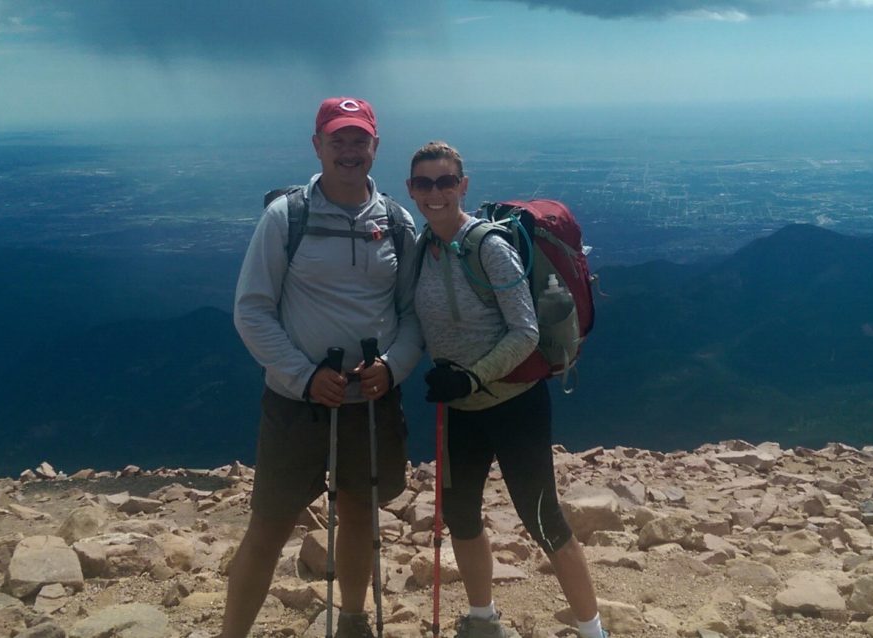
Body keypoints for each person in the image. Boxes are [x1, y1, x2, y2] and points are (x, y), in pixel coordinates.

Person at [224, 97, 423, 638]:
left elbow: (410, 315)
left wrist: (394, 367)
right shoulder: (287, 218)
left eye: (359, 140)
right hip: (295, 404)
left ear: (375, 147)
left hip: (371, 400)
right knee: (268, 526)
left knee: (360, 514)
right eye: (338, 140)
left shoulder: (398, 223)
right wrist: (304, 376)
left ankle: (353, 621)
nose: (349, 150)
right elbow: (252, 310)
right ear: (317, 146)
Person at [408, 141, 608, 638]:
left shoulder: (488, 247)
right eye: (424, 183)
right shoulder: (421, 250)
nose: (436, 193)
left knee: (542, 518)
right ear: (412, 190)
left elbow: (526, 332)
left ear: (463, 186)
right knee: (460, 515)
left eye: (445, 182)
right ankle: (482, 620)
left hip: (513, 404)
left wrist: (472, 375)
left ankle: (593, 631)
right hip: (458, 408)